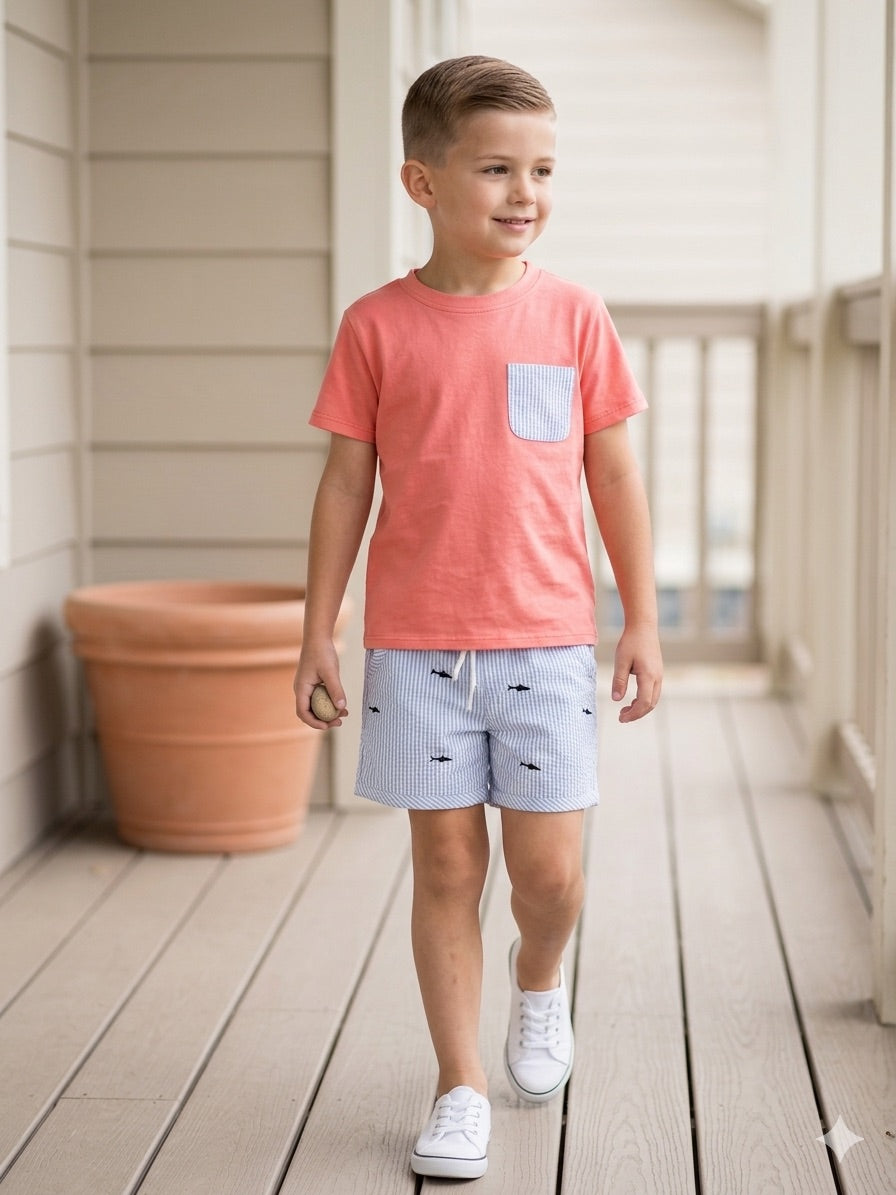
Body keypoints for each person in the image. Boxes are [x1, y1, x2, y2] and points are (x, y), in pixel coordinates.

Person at [293, 54, 663, 1181]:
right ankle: (458, 1086)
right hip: (414, 648)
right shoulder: (375, 326)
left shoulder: (573, 315)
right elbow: (346, 485)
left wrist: (637, 619)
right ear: (422, 183)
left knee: (547, 877)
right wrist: (322, 625)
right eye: (496, 167)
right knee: (446, 865)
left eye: (542, 169)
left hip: (546, 642)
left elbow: (613, 476)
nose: (524, 193)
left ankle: (537, 984)